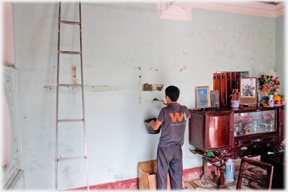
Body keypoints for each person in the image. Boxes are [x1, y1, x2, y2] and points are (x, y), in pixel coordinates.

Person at [148, 85, 191, 190]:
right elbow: (189, 116)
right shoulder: (184, 109)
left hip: (165, 149)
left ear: (167, 97)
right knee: (176, 177)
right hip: (177, 149)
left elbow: (156, 127)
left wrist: (151, 123)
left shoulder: (164, 111)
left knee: (162, 176)